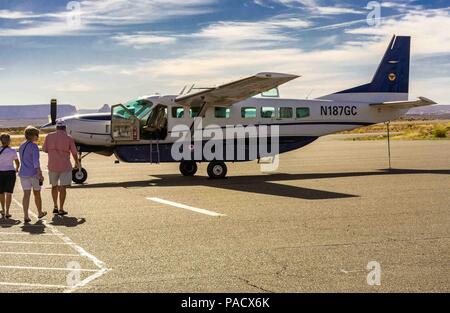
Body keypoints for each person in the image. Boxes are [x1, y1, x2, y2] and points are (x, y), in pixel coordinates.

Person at [42, 120, 80, 215]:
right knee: (63, 187)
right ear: (65, 128)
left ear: (56, 127)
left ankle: (55, 206)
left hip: (52, 165)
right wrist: (77, 163)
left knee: (54, 186)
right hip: (65, 166)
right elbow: (74, 153)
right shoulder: (69, 138)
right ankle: (61, 208)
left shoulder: (48, 136)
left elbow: (45, 150)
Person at [19, 126, 47, 223]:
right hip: (33, 174)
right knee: (37, 194)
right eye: (37, 135)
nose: (38, 137)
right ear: (32, 136)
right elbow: (36, 162)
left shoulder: (21, 145)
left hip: (23, 173)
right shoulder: (34, 146)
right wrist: (40, 174)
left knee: (26, 194)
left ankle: (26, 215)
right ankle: (39, 212)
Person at [0, 133, 20, 219]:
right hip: (10, 172)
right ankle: (8, 211)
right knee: (9, 192)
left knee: (1, 192)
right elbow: (17, 162)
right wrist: (17, 168)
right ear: (9, 141)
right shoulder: (12, 151)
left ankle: (3, 209)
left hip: (0, 172)